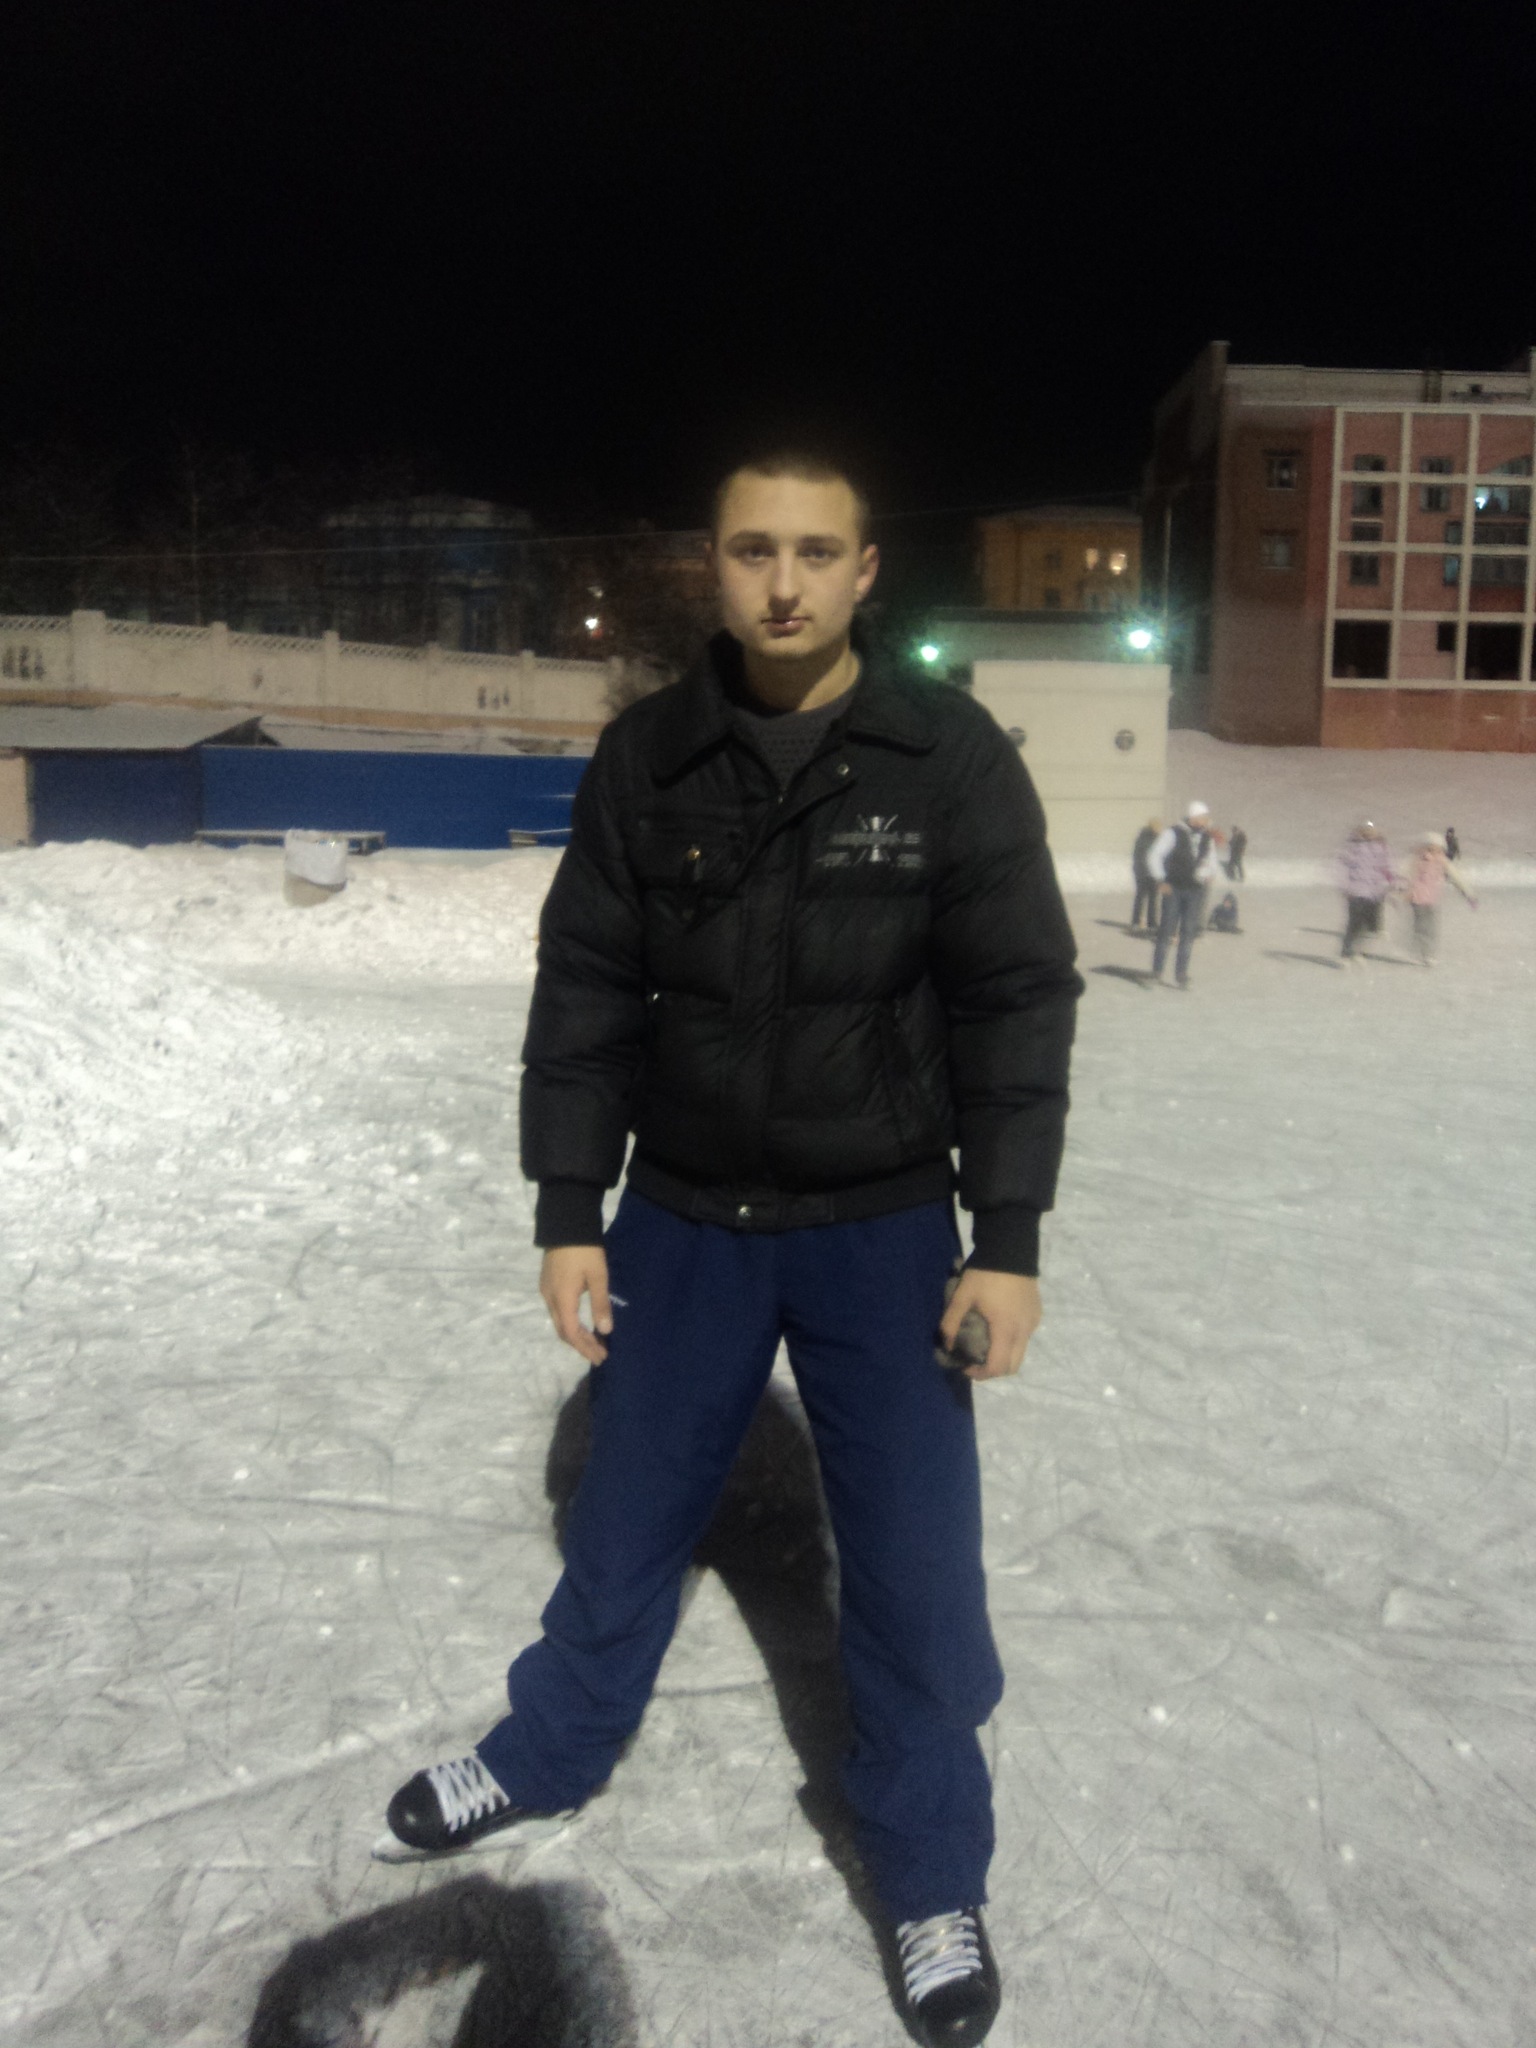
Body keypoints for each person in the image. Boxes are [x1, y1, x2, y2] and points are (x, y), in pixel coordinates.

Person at [381, 451, 1083, 2048]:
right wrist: (570, 1208)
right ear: (713, 564)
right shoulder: (651, 755)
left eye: (816, 552)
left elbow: (1014, 1002)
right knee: (624, 1520)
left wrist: (1008, 1239)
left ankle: (929, 1869)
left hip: (881, 1229)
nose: (784, 581)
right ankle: (548, 1749)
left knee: (912, 1569)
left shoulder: (947, 756)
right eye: (755, 549)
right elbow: (585, 991)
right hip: (686, 1222)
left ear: (865, 571)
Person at [1147, 801, 1220, 987]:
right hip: (1174, 889)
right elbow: (1154, 855)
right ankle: (1156, 972)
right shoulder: (1173, 833)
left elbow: (1212, 862)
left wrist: (1209, 873)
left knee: (1188, 933)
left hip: (1195, 891)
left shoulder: (1207, 838)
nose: (1206, 820)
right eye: (1203, 817)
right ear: (1193, 817)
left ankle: (1181, 974)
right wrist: (1160, 879)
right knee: (1166, 931)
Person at [1405, 831, 1476, 965]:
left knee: (1431, 927)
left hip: (1432, 900)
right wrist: (1401, 889)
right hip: (1417, 899)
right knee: (1420, 926)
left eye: (1437, 848)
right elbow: (1406, 875)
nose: (1433, 851)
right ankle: (1421, 950)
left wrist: (1467, 893)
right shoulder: (1417, 860)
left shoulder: (1443, 862)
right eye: (1429, 847)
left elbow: (1456, 878)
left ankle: (1428, 953)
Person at [1335, 820, 1400, 965]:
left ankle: (1358, 951)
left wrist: (1392, 880)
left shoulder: (1381, 847)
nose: (1367, 834)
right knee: (1354, 924)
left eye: (1370, 831)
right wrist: (1345, 886)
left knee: (1367, 926)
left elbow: (1388, 865)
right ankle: (1346, 953)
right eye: (1364, 831)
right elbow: (1341, 867)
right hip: (1356, 892)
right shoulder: (1352, 847)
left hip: (1374, 893)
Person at [1130, 817, 1161, 930]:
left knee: (1153, 898)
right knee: (1141, 897)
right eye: (1157, 827)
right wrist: (1142, 870)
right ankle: (1136, 921)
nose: (1159, 829)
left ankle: (1151, 923)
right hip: (1142, 872)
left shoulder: (1158, 839)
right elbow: (1140, 856)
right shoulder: (1144, 838)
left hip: (1152, 873)